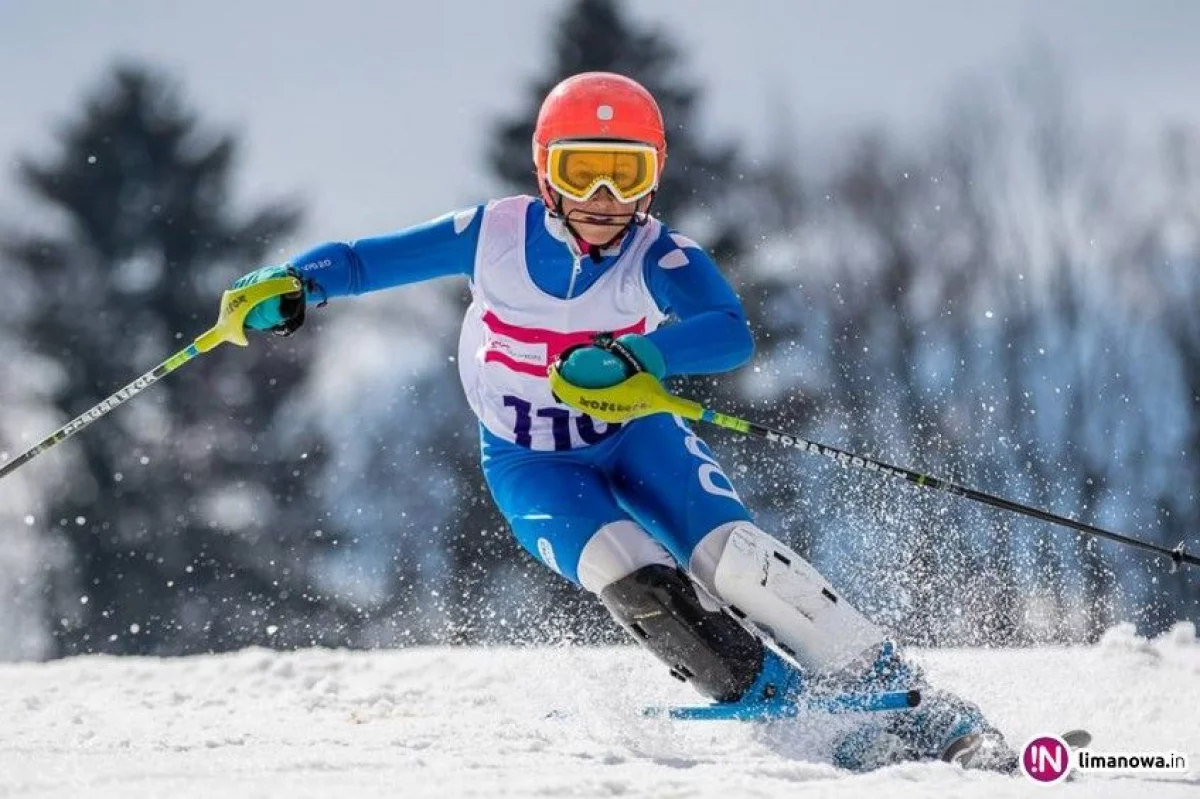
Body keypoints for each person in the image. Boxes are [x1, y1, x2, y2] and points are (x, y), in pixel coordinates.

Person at [234, 72, 1016, 772]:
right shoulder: (494, 235)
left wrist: (643, 355)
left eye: (626, 173)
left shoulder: (658, 253)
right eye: (583, 172)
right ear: (546, 171)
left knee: (735, 560)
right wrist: (298, 283)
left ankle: (906, 697)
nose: (604, 198)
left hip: (636, 436)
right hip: (531, 461)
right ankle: (797, 716)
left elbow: (727, 328)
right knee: (633, 574)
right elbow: (369, 261)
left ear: (653, 178)